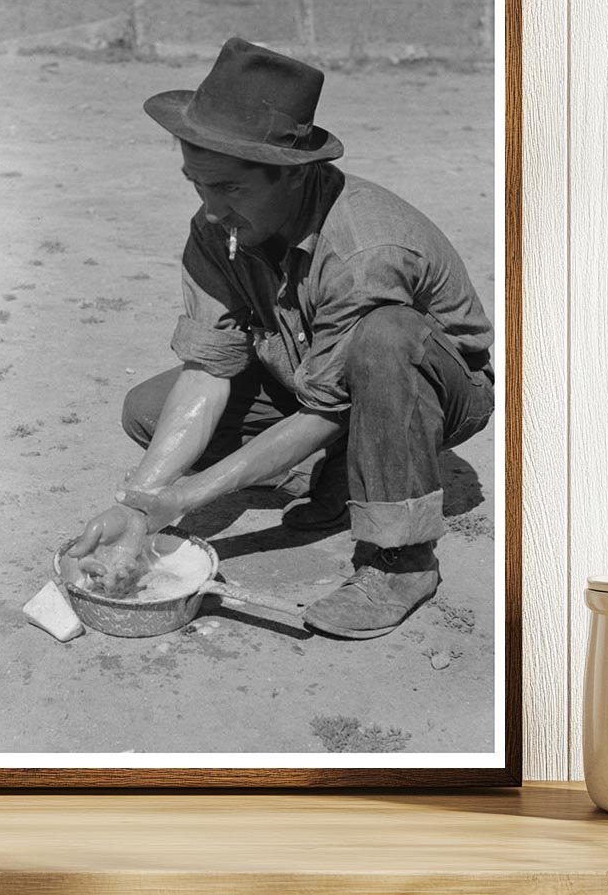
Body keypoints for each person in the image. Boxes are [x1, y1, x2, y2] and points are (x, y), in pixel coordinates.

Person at [67, 37, 494, 640]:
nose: (212, 210)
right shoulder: (219, 229)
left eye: (231, 189)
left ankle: (401, 563)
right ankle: (342, 474)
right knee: (148, 411)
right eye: (198, 185)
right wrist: (144, 499)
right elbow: (208, 368)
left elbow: (329, 403)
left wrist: (184, 496)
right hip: (310, 373)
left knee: (385, 337)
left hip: (430, 386)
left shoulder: (365, 249)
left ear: (294, 177)